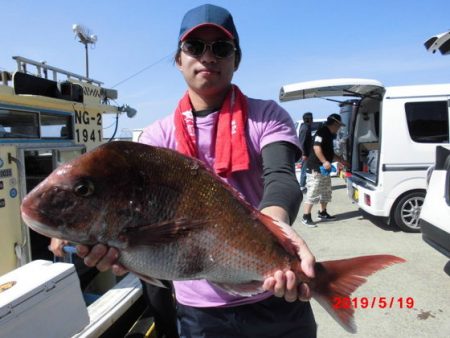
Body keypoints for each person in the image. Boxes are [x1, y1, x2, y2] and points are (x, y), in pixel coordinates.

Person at [76, 4, 317, 337]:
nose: (208, 56)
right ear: (178, 59)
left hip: (274, 291)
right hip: (201, 311)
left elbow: (281, 178)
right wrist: (119, 251)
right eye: (194, 47)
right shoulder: (156, 138)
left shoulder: (267, 116)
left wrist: (276, 228)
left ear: (236, 59)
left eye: (221, 48)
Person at [301, 113, 347, 228]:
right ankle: (306, 217)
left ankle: (323, 213)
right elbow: (317, 147)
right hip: (315, 168)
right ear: (335, 123)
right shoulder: (321, 132)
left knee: (326, 191)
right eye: (339, 126)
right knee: (313, 191)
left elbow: (329, 153)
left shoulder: (330, 134)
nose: (339, 128)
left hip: (324, 170)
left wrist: (340, 160)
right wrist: (324, 161)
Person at [298, 112, 313, 192]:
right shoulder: (305, 128)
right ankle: (302, 186)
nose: (312, 120)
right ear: (308, 119)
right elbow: (302, 141)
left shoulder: (307, 127)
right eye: (311, 118)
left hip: (308, 152)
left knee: (308, 169)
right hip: (305, 153)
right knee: (304, 169)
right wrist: (304, 154)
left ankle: (308, 184)